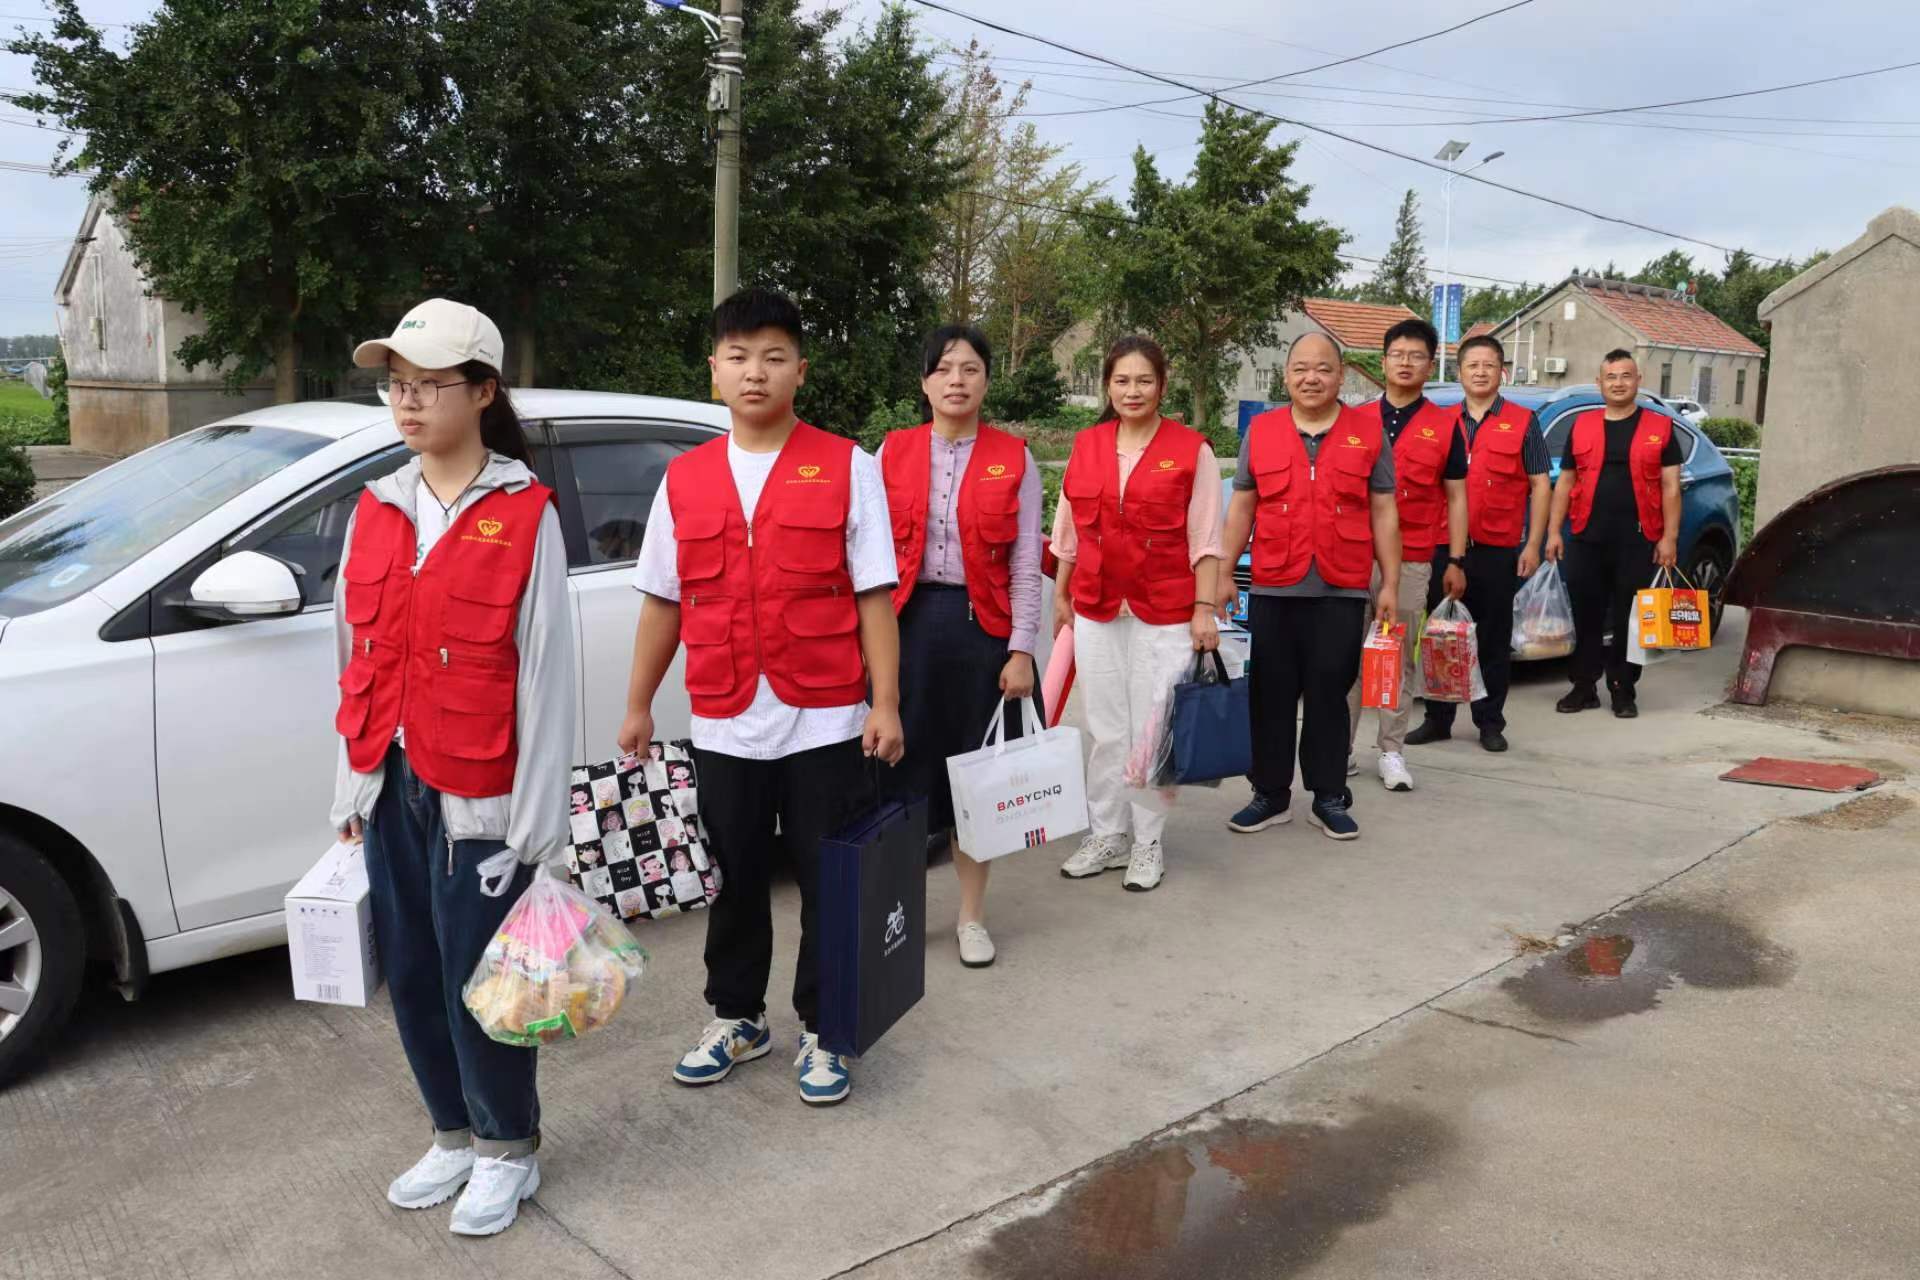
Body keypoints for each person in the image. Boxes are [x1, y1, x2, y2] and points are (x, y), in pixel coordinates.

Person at [619, 287, 904, 1108]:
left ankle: (825, 1026)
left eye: (774, 356)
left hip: (825, 715)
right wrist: (639, 705)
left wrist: (884, 703)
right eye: (739, 357)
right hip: (724, 716)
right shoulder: (683, 480)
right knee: (733, 878)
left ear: (799, 372)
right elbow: (663, 601)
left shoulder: (848, 465)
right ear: (714, 372)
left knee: (827, 879)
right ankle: (738, 1017)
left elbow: (873, 596)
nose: (756, 372)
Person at [329, 298, 575, 1237]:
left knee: (487, 980)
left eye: (431, 384)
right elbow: (352, 652)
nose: (408, 402)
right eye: (398, 384)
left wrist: (537, 835)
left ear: (483, 392)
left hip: (484, 797)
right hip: (391, 778)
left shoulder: (524, 515)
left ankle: (509, 1146)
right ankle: (453, 1134)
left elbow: (548, 680)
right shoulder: (378, 509)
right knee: (417, 970)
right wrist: (350, 785)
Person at [877, 325, 1044, 968]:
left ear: (986, 382)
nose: (956, 380)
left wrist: (1021, 649)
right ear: (924, 382)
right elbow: (862, 563)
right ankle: (900, 912)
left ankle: (972, 917)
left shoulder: (1015, 457)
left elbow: (1026, 562)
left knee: (977, 781)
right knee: (897, 772)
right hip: (904, 626)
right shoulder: (887, 454)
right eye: (944, 368)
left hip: (982, 631)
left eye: (970, 369)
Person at [1051, 336, 1221, 892]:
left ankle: (1148, 842)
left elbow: (1206, 538)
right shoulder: (1088, 444)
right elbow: (1069, 530)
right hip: (1098, 603)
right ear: (1107, 385)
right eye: (1121, 381)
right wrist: (1062, 593)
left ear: (1161, 386)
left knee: (1152, 729)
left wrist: (1203, 608)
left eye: (1143, 380)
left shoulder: (1190, 448)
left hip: (1165, 607)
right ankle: (1107, 833)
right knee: (1104, 728)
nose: (1132, 391)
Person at [1219, 332, 1399, 841]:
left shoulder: (1368, 433)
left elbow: (1384, 510)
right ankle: (1271, 793)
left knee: (1329, 693)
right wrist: (1225, 573)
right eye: (1300, 368)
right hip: (1275, 582)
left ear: (1341, 375)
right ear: (1287, 375)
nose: (1311, 378)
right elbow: (1242, 507)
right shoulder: (1263, 430)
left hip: (1341, 586)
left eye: (1322, 368)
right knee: (1270, 694)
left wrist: (1388, 581)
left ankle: (1328, 796)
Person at [1406, 334, 1551, 752]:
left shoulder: (1524, 422)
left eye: (1489, 365)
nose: (1481, 372)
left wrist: (1533, 543)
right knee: (1439, 634)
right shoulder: (1440, 421)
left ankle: (1489, 722)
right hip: (1441, 543)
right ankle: (1437, 718)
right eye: (1473, 365)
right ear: (1460, 372)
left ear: (1501, 371)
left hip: (1497, 546)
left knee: (1490, 637)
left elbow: (1541, 485)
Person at [1342, 318, 1467, 792]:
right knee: (1346, 656)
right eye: (1398, 355)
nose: (1407, 363)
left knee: (1393, 655)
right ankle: (1341, 748)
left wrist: (1455, 558)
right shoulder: (1353, 419)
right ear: (1384, 360)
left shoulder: (1445, 424)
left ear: (1431, 364)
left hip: (1413, 557)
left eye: (1417, 356)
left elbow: (1457, 496)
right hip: (1353, 556)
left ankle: (1391, 751)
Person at [1544, 348, 1683, 718]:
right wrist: (1554, 531)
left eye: (1626, 376)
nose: (1618, 383)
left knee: (1629, 617)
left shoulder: (1660, 427)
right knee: (1587, 613)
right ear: (1599, 383)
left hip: (1638, 539)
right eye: (1611, 377)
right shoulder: (1583, 425)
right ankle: (1583, 686)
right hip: (1587, 535)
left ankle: (1623, 689)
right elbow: (1566, 481)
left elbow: (1671, 487)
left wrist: (1669, 537)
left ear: (1638, 380)